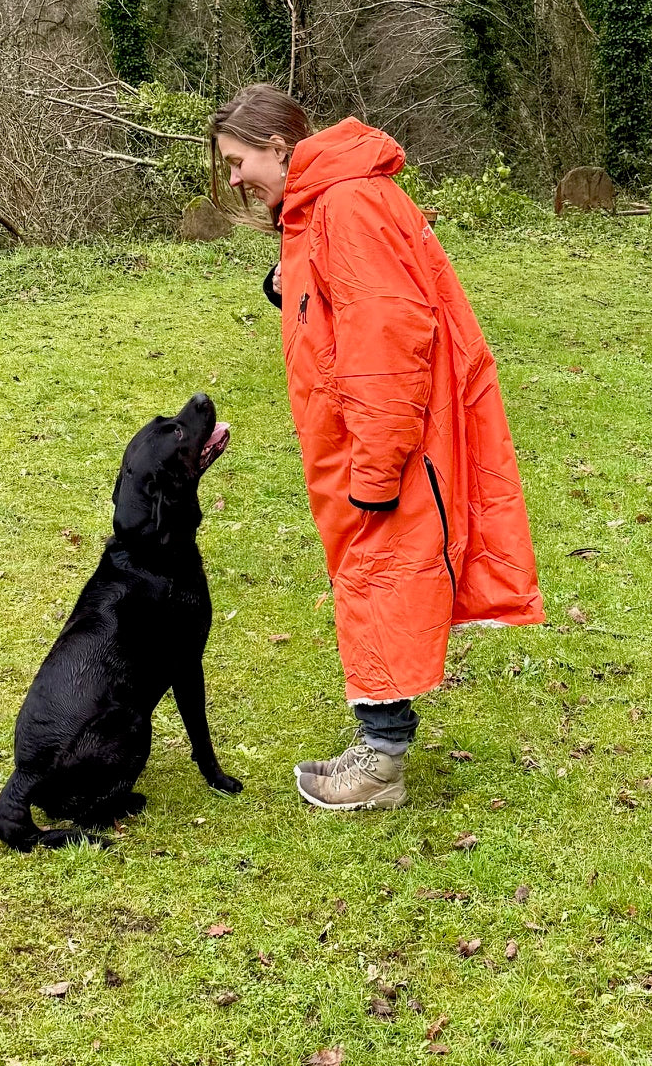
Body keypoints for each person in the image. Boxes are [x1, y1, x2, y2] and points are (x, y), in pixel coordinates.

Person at [209, 84, 544, 811]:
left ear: (277, 147)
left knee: (381, 579)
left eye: (238, 161)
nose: (234, 179)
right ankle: (379, 746)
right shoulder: (322, 204)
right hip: (356, 440)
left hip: (383, 441)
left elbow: (385, 345)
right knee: (372, 580)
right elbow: (342, 307)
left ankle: (381, 763)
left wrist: (377, 465)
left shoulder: (346, 204)